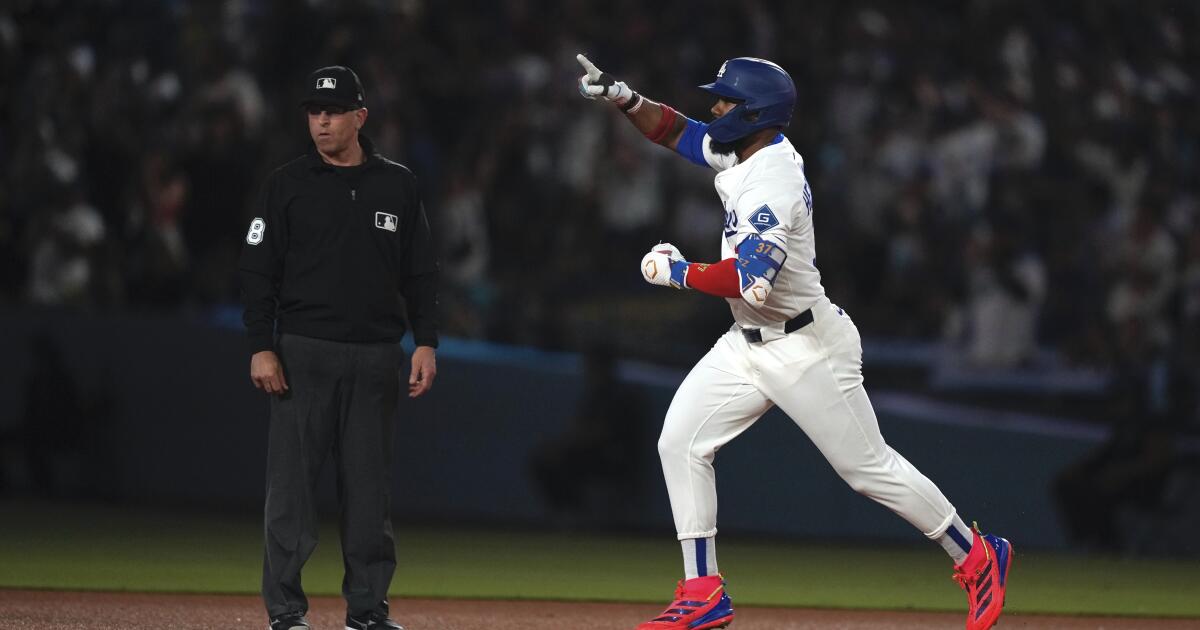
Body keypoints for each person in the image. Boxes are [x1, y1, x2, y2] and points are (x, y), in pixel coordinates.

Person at [577, 54, 1013, 630]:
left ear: (755, 113)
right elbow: (680, 132)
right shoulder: (746, 147)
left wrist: (676, 272)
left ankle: (979, 555)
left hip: (808, 346)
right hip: (747, 343)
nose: (716, 107)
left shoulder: (775, 181)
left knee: (868, 470)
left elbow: (751, 283)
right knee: (679, 442)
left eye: (726, 100)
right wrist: (625, 99)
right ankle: (703, 591)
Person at [239, 65, 438, 630]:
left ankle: (368, 610)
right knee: (291, 496)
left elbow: (421, 273)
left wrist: (426, 341)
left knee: (370, 497)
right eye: (313, 111)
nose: (321, 121)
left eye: (332, 111)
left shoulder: (397, 184)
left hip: (376, 356)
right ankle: (285, 612)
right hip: (302, 354)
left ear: (360, 116)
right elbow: (257, 274)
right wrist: (261, 345)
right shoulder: (286, 184)